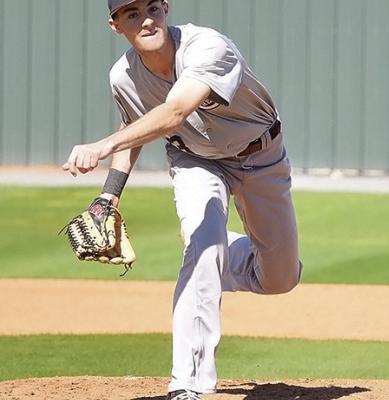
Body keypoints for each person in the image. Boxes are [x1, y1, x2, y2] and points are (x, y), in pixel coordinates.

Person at [63, 0, 303, 399]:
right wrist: (108, 196)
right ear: (115, 25)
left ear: (166, 8)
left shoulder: (208, 46)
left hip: (261, 157)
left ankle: (222, 253)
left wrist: (103, 144)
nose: (146, 19)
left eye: (152, 7)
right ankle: (188, 385)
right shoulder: (123, 77)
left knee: (280, 279)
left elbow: (174, 111)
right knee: (202, 246)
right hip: (195, 160)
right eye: (132, 13)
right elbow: (134, 129)